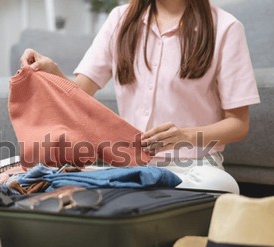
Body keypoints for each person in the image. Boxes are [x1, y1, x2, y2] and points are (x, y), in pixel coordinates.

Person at [19, 0, 260, 194]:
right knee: (55, 175)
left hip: (194, 167)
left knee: (223, 186)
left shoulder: (226, 28)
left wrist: (183, 136)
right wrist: (53, 72)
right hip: (131, 167)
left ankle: (133, 193)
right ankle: (144, 192)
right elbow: (77, 95)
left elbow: (238, 124)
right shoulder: (119, 20)